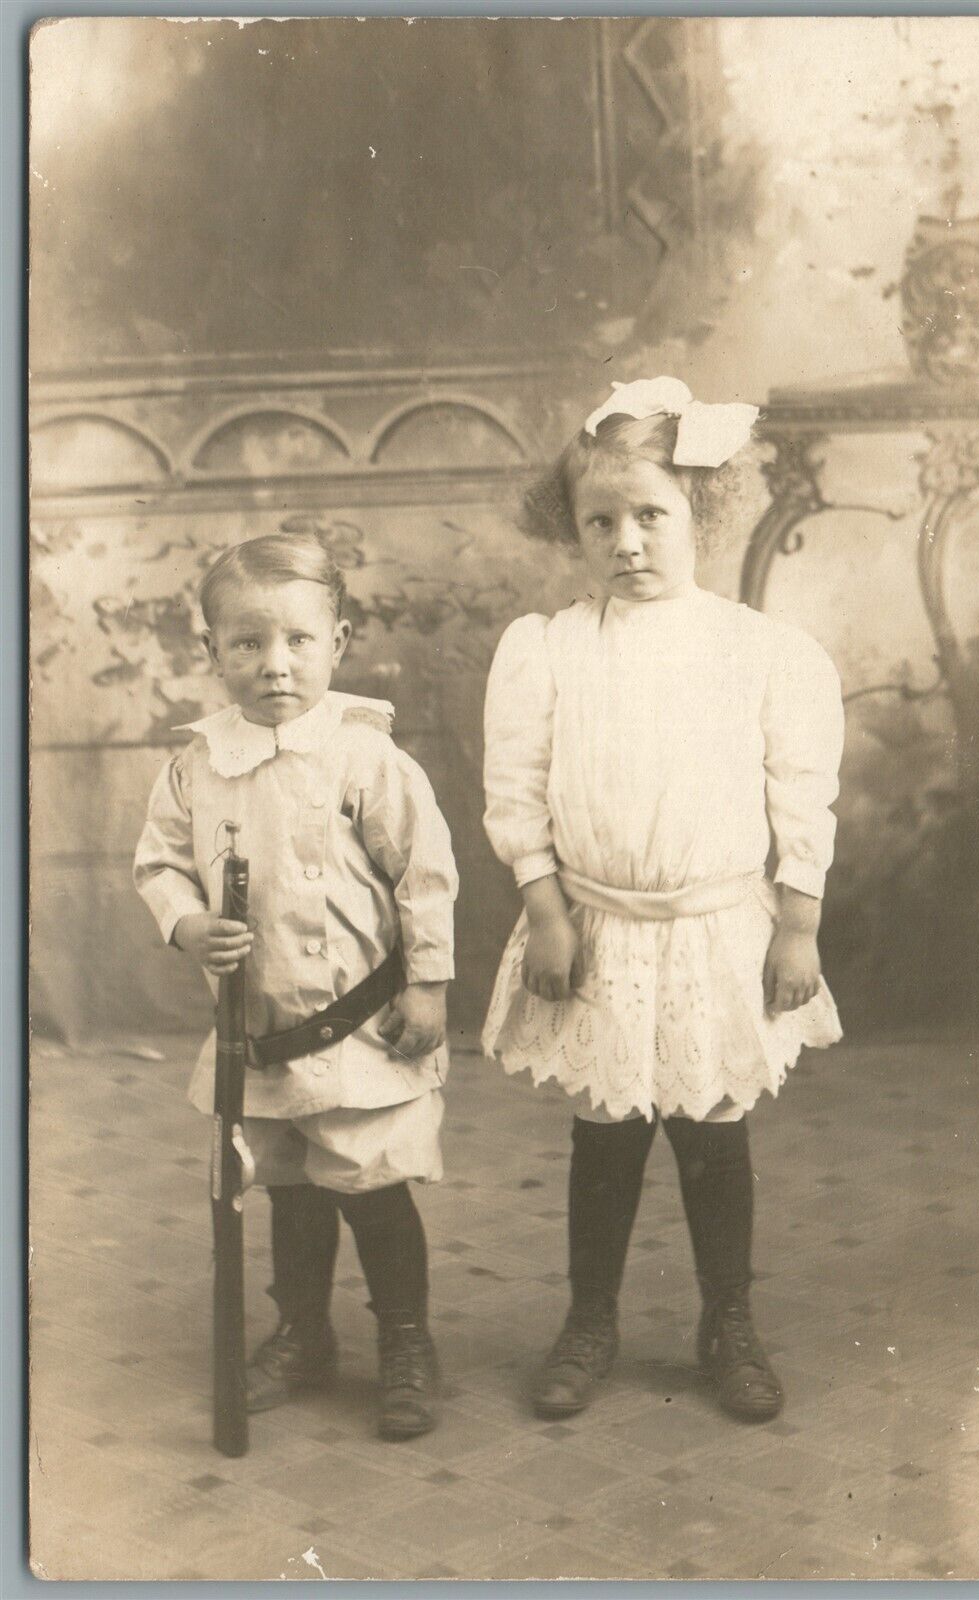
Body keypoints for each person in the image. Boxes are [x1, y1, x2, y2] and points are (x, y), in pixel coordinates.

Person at [482, 377, 844, 1424]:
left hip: (713, 931)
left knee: (711, 1131)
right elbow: (516, 793)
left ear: (703, 512)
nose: (627, 541)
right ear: (574, 530)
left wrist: (799, 923)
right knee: (605, 1134)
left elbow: (800, 794)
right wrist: (547, 910)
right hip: (595, 926)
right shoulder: (549, 649)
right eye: (602, 521)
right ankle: (590, 1318)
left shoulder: (757, 651)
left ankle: (726, 1319)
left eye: (652, 514)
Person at [134, 531, 458, 1441]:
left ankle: (405, 1338)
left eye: (298, 642)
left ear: (340, 641)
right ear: (212, 652)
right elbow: (159, 863)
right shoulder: (196, 764)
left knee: (373, 1186)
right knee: (289, 1187)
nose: (274, 666)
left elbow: (423, 877)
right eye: (247, 644)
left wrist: (427, 986)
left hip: (359, 1029)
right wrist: (188, 921)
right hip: (259, 1032)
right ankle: (303, 1332)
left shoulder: (367, 759)